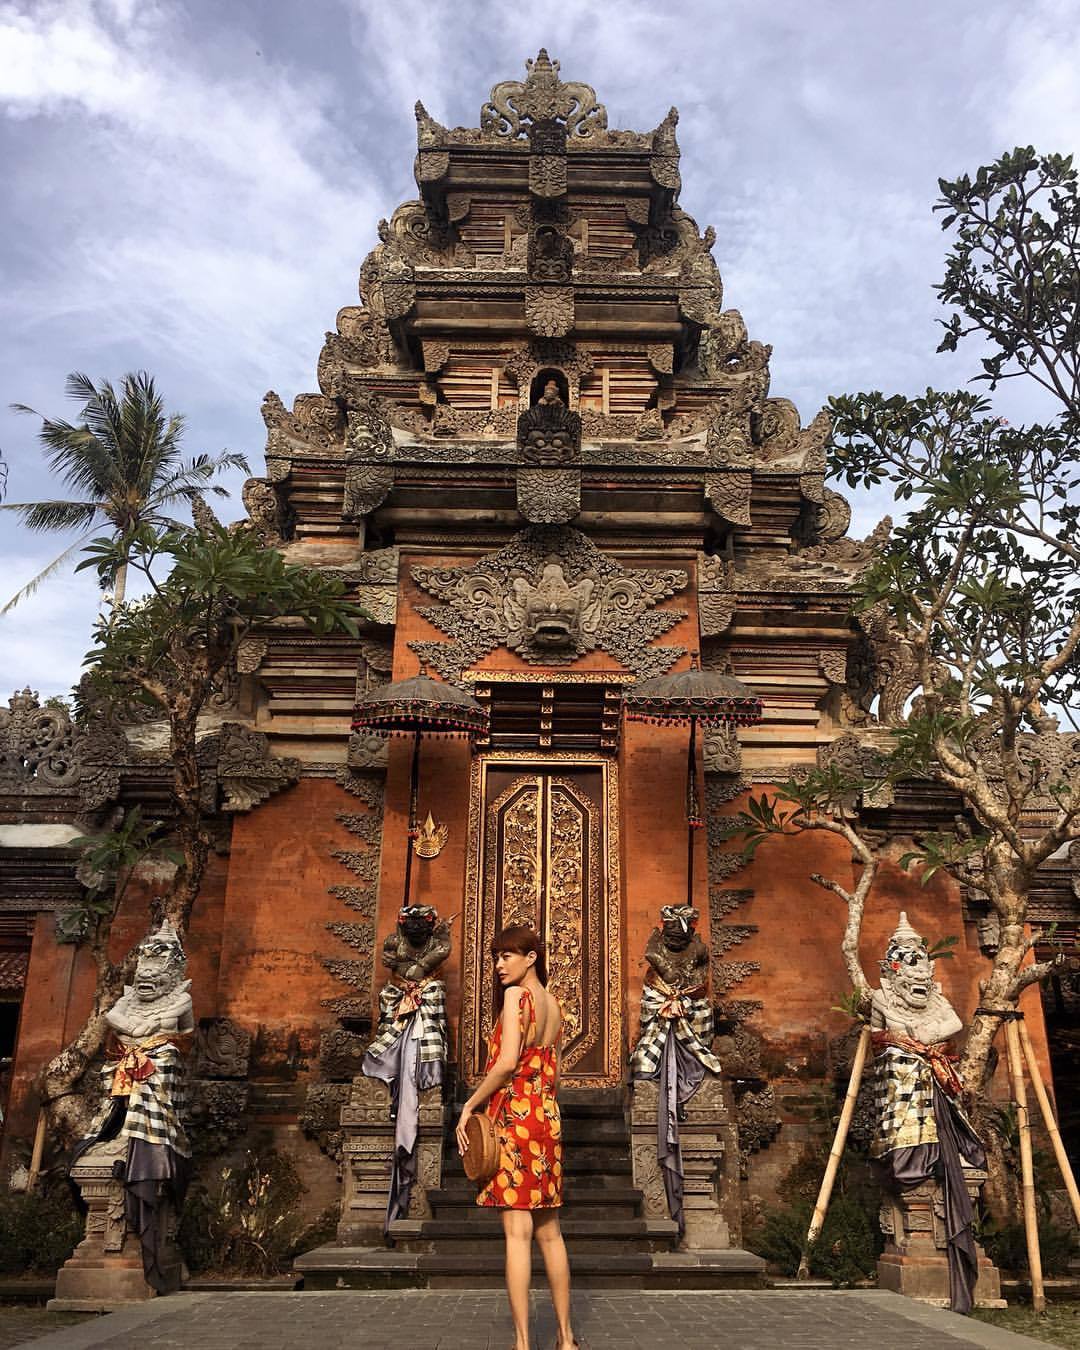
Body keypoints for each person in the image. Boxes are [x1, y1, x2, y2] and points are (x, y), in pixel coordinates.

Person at [456, 925, 577, 1350]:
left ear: (532, 957)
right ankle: (566, 1340)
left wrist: (471, 1105)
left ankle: (523, 1344)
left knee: (517, 1235)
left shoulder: (516, 999)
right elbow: (555, 1076)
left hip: (514, 1121)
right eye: (495, 957)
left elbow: (507, 1063)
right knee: (551, 1233)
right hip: (546, 1119)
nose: (498, 965)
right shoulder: (555, 1006)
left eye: (508, 955)